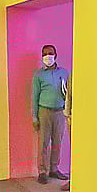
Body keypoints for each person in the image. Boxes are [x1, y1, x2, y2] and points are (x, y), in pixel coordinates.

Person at [32, 44, 70, 184]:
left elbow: (68, 93)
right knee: (43, 142)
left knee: (57, 142)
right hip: (44, 111)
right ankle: (42, 171)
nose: (48, 56)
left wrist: (69, 111)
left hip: (60, 112)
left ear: (56, 55)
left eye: (50, 53)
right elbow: (35, 96)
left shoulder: (64, 73)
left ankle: (54, 169)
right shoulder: (39, 75)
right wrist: (35, 117)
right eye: (45, 54)